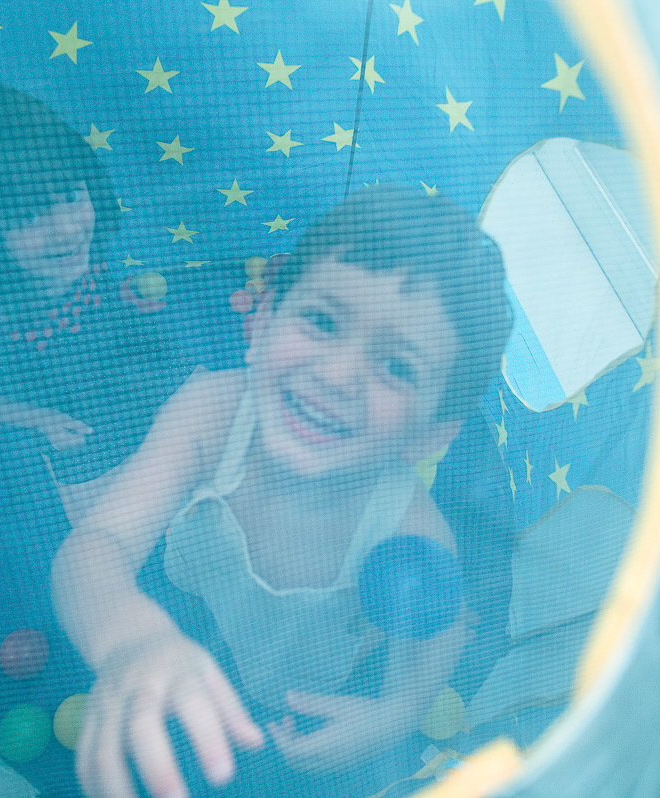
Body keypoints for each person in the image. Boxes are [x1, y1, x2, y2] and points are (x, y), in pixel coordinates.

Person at [53, 184, 514, 797]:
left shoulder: (413, 533)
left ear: (430, 433)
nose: (336, 374)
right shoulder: (211, 416)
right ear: (263, 322)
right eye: (321, 321)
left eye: (396, 366)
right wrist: (132, 638)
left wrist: (396, 712)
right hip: (199, 595)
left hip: (305, 663)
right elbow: (98, 544)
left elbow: (443, 629)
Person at [0, 83, 188, 792]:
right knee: (113, 550)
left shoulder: (96, 270)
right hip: (74, 457)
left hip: (131, 410)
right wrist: (34, 419)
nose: (67, 228)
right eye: (28, 217)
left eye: (71, 195)